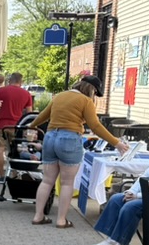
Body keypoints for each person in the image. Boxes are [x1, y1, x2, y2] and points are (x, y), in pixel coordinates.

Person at [30, 75, 128, 228]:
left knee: (47, 180)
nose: (94, 96)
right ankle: (61, 220)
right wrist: (116, 143)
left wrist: (31, 126)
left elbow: (43, 115)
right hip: (69, 139)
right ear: (91, 89)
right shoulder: (85, 101)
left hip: (50, 137)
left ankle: (38, 216)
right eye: (95, 93)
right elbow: (95, 126)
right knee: (67, 183)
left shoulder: (59, 96)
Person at [0, 72, 34, 182]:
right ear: (21, 82)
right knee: (15, 150)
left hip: (1, 124)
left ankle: (1, 176)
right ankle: (14, 174)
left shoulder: (0, 91)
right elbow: (29, 113)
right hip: (17, 126)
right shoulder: (26, 94)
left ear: (9, 80)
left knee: (0, 149)